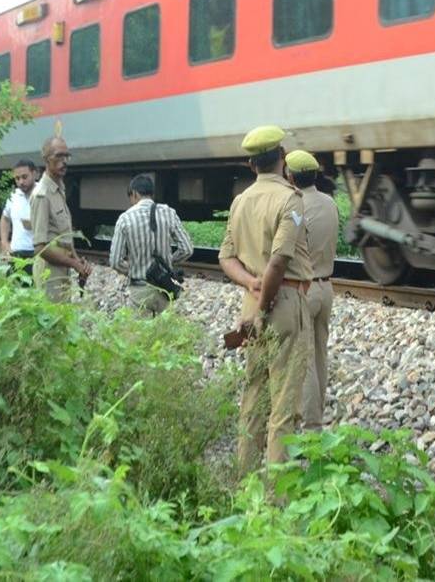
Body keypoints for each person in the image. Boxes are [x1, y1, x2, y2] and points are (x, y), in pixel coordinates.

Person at [218, 125, 315, 476]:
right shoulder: (289, 199)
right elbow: (278, 260)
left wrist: (251, 284)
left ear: (250, 164)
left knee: (253, 397)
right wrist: (265, 302)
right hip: (283, 303)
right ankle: (278, 498)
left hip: (252, 302)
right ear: (283, 157)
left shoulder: (240, 201)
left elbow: (225, 257)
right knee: (283, 404)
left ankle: (244, 481)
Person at [286, 149, 339, 430]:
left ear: (290, 176)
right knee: (320, 355)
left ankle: (310, 426)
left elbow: (295, 235)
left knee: (304, 359)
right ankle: (317, 417)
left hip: (304, 289)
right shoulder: (331, 203)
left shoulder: (295, 207)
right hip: (326, 286)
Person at [108, 174, 194, 316]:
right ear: (151, 193)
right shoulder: (169, 213)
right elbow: (187, 249)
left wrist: (132, 271)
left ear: (134, 194)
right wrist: (166, 264)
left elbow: (115, 261)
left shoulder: (125, 219)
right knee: (163, 335)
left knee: (139, 335)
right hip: (164, 288)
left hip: (139, 289)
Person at [30, 135, 92, 301]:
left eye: (67, 156)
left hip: (61, 272)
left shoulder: (59, 190)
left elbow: (63, 237)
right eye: (59, 156)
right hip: (48, 274)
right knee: (52, 322)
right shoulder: (42, 195)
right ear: (46, 159)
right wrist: (74, 264)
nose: (64, 161)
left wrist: (79, 262)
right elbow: (40, 247)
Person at [0, 159, 38, 275]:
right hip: (16, 254)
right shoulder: (14, 196)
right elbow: (5, 218)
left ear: (34, 174)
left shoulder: (44, 194)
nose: (21, 181)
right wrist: (5, 242)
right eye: (17, 178)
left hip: (39, 254)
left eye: (25, 177)